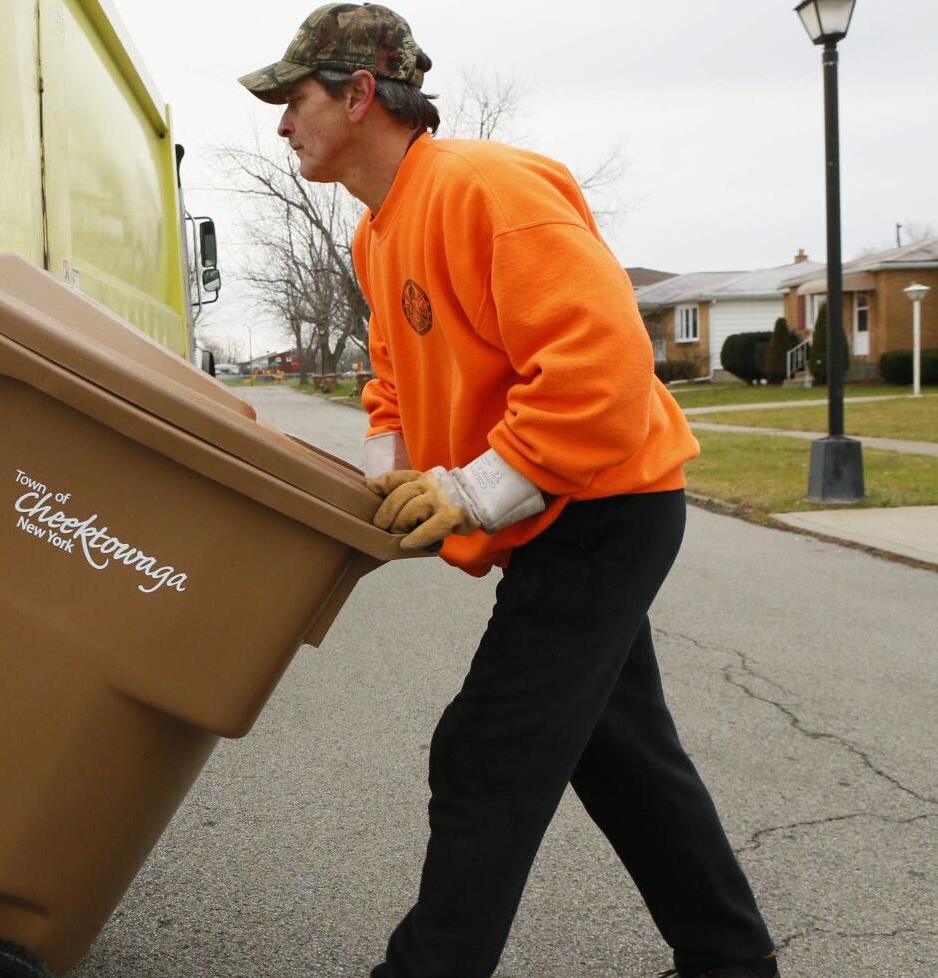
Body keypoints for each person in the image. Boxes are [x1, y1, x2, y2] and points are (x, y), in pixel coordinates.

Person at [238, 6, 780, 977]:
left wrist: (473, 493)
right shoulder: (377, 233)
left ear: (360, 94)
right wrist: (382, 489)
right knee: (623, 760)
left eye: (294, 98)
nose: (280, 124)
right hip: (557, 514)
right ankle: (729, 961)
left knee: (483, 753)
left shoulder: (485, 187)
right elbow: (390, 380)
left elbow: (602, 371)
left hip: (607, 507)